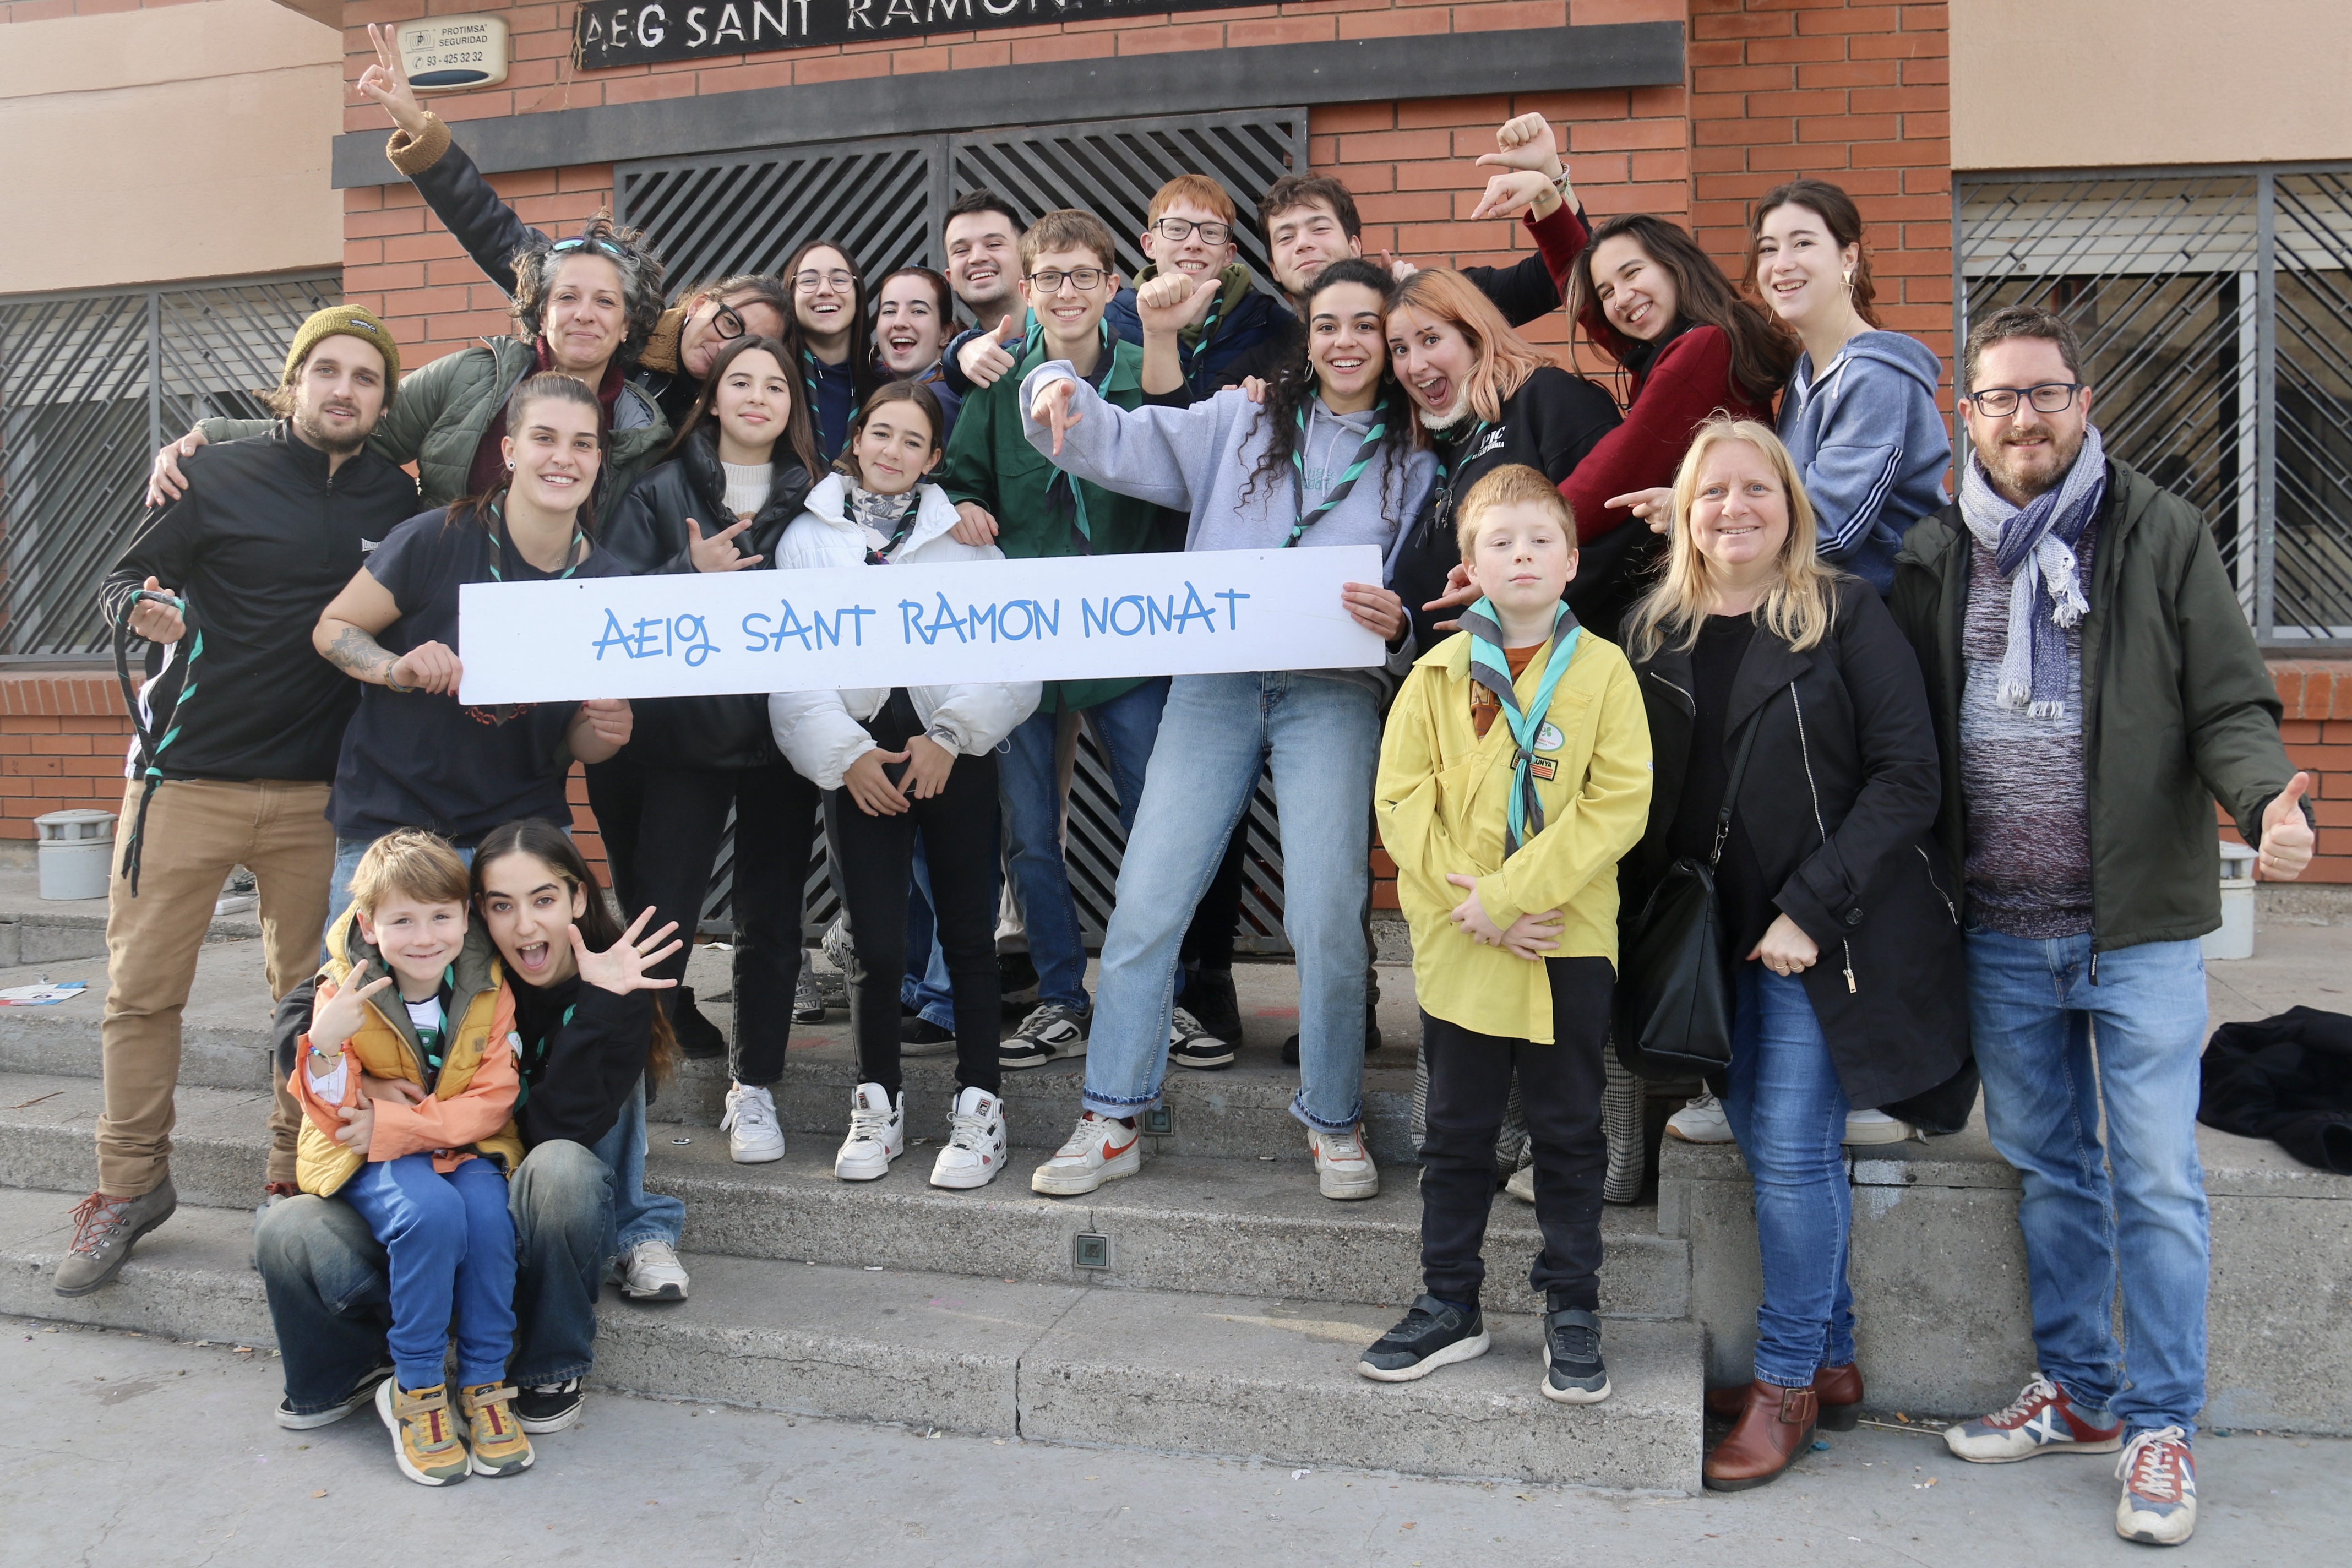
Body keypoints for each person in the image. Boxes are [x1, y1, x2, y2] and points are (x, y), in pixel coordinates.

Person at [1893, 306, 2315, 1548]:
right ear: (1963, 416)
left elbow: (2229, 701)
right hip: (2003, 933)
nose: (2025, 416)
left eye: (2047, 393)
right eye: (2000, 397)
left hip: (2135, 927)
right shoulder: (1936, 555)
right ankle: (2077, 1390)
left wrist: (2262, 803)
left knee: (2160, 1181)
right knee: (2049, 1167)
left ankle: (2159, 1422)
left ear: (2087, 404)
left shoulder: (2159, 533)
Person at [1017, 256, 1429, 1202]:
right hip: (1212, 685)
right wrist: (1051, 377)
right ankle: (1110, 1115)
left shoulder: (1418, 453)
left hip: (1332, 688)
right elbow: (1109, 440)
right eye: (1327, 324)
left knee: (1326, 914)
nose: (1344, 342)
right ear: (1305, 334)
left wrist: (1401, 622)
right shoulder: (1237, 419)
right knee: (1146, 900)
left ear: (1388, 339)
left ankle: (1332, 1117)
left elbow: (1428, 590)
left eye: (1365, 326)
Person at [1617, 418, 1967, 1490]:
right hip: (1714, 941)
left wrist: (1811, 907)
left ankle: (1785, 1387)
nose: (1734, 506)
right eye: (1711, 490)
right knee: (1780, 1149)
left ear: (1791, 503)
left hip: (1825, 936)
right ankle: (1834, 1355)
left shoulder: (1847, 614)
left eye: (1755, 488)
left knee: (1792, 1152)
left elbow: (1910, 777)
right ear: (1685, 510)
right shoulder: (1653, 630)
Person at [52, 308, 420, 1297]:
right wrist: (140, 605)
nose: (344, 390)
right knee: (140, 994)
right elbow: (118, 574)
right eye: (326, 371)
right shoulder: (211, 476)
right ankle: (128, 1188)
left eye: (365, 378)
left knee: (311, 1005)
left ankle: (288, 1174)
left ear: (384, 401)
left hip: (321, 796)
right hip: (187, 778)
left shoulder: (396, 497)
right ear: (291, 384)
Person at [1358, 464, 1650, 1401]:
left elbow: (1617, 803)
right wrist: (1473, 908)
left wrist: (1516, 894)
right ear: (1469, 566)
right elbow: (1400, 801)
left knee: (1569, 1131)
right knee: (1456, 1132)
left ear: (1570, 559)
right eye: (1499, 542)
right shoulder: (1435, 674)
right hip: (1462, 940)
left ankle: (1572, 1302)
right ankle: (1450, 1301)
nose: (1520, 555)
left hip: (1563, 936)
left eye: (1538, 541)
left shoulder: (1604, 670)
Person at [255, 817, 688, 1438]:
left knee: (560, 1167)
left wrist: (599, 1007)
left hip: (521, 1197)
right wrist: (352, 1073)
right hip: (423, 1189)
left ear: (578, 898)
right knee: (285, 1226)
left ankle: (551, 1360)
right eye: (502, 906)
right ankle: (358, 1368)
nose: (526, 925)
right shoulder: (453, 956)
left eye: (544, 900)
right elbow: (309, 1006)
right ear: (477, 913)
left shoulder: (609, 980)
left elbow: (551, 1129)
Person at [769, 380, 1039, 1188]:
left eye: (911, 441)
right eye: (879, 434)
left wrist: (953, 737)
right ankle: (876, 1104)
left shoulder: (965, 539)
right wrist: (844, 754)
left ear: (934, 458)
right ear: (857, 438)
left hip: (950, 750)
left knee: (968, 937)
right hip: (860, 759)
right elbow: (787, 661)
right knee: (877, 943)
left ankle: (979, 1108)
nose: (892, 451)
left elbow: (1012, 659)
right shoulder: (807, 537)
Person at [935, 209, 1177, 1071]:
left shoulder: (1144, 378)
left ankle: (1161, 994)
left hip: (1129, 645)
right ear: (1029, 293)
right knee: (1030, 828)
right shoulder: (999, 385)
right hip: (1025, 643)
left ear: (1114, 285)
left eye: (1083, 276)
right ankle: (1061, 994)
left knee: (1159, 817)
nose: (1067, 293)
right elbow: (955, 477)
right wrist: (960, 505)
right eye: (1050, 279)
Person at [597, 335, 825, 1166]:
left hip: (782, 736)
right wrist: (684, 572)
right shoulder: (658, 486)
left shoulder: (820, 500)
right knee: (662, 920)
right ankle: (623, 1092)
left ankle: (754, 1087)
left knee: (772, 923)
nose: (759, 396)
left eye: (776, 384)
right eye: (742, 382)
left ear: (792, 405)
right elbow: (607, 597)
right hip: (678, 739)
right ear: (714, 397)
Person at [352, 23, 788, 429]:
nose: (726, 347)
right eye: (730, 323)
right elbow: (488, 227)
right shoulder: (605, 312)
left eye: (747, 345)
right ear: (700, 305)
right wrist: (416, 129)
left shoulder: (718, 414)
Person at [311, 372, 635, 912]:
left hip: (521, 830)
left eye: (583, 444)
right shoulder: (435, 537)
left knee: (535, 995)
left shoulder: (609, 587)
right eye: (544, 438)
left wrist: (607, 731)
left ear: (600, 459)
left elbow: (582, 740)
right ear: (509, 451)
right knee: (370, 996)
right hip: (395, 823)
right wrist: (396, 668)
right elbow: (334, 627)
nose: (564, 458)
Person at [148, 210, 672, 517]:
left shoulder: (644, 429)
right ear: (540, 312)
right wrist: (212, 434)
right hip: (443, 619)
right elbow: (352, 427)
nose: (585, 315)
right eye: (567, 298)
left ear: (627, 324)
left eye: (605, 302)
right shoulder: (472, 376)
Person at [287, 830, 531, 1485]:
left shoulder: (487, 985)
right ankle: (418, 1389)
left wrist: (395, 1121)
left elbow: (494, 1097)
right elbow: (335, 1118)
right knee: (429, 1216)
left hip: (457, 1143)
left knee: (486, 1217)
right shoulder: (344, 991)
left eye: (441, 917)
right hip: (367, 1156)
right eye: (403, 920)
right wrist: (327, 1047)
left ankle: (484, 1382)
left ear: (465, 917)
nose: (425, 936)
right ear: (369, 923)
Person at [1383, 266, 1622, 653]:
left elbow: (1617, 535)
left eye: (1430, 339)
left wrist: (1512, 613)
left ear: (1474, 337)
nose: (1415, 365)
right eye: (1400, 349)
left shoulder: (1548, 399)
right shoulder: (1438, 445)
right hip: (1450, 695)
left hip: (1553, 680)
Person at [1750, 178, 1950, 595]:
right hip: (1821, 618)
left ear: (1848, 257)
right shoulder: (1807, 374)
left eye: (1802, 243)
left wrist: (1711, 528)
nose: (1782, 263)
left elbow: (1831, 531)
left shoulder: (1877, 378)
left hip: (1883, 631)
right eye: (1769, 248)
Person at [1105, 173, 1291, 401]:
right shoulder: (1108, 322)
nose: (1194, 244)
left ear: (1228, 254)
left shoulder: (1269, 323)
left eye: (1211, 232)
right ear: (1150, 245)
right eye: (1177, 229)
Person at [786, 238, 882, 461]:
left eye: (839, 279)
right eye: (809, 280)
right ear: (791, 294)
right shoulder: (772, 382)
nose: (825, 290)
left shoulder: (885, 384)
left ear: (857, 293)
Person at [873, 265, 965, 436]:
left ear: (945, 334)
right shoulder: (873, 384)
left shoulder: (937, 401)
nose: (899, 322)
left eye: (918, 311)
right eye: (889, 311)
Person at [941, 189, 1023, 336]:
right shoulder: (953, 356)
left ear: (1025, 262)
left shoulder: (1069, 340)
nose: (977, 258)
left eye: (993, 245)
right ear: (950, 278)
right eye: (961, 250)